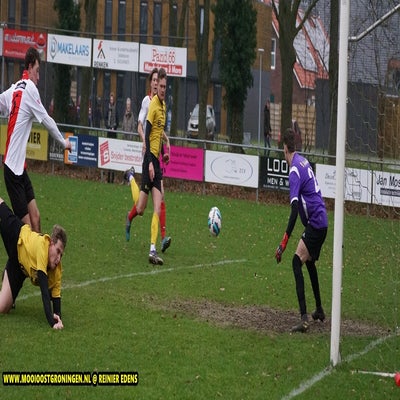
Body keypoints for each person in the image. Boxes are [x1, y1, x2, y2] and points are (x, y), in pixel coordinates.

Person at [0, 47, 71, 233]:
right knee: (27, 229)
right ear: (30, 67)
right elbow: (47, 120)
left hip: (19, 168)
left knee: (36, 218)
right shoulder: (29, 88)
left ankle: (39, 253)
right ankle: (22, 253)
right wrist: (64, 143)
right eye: (37, 71)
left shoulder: (15, 87)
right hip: (11, 170)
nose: (38, 77)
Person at [275, 128, 328, 333]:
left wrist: (283, 243)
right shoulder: (303, 161)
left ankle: (304, 319)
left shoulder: (294, 171)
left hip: (315, 223)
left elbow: (294, 211)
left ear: (284, 149)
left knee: (296, 261)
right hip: (321, 221)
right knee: (309, 262)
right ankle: (319, 310)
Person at [124, 68, 170, 265]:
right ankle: (131, 177)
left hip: (156, 162)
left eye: (164, 86)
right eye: (159, 85)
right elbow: (148, 132)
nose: (161, 88)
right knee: (141, 207)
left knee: (157, 206)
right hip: (148, 161)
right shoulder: (151, 105)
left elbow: (158, 134)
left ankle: (152, 249)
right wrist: (150, 161)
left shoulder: (164, 106)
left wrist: (164, 153)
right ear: (154, 84)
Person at [0, 197, 67, 329]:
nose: (58, 258)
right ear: (51, 243)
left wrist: (58, 318)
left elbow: (56, 299)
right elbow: (44, 290)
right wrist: (51, 322)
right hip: (17, 235)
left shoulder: (57, 271)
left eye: (61, 255)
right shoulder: (42, 246)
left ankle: (6, 275)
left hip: (19, 266)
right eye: (58, 251)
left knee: (3, 308)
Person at [105, 91, 118, 183]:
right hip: (109, 132)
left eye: (112, 99)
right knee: (108, 153)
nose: (111, 100)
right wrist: (108, 126)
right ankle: (108, 176)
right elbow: (105, 119)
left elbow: (117, 120)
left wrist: (114, 127)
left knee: (113, 154)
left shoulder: (116, 109)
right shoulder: (107, 108)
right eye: (110, 99)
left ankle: (112, 177)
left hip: (114, 133)